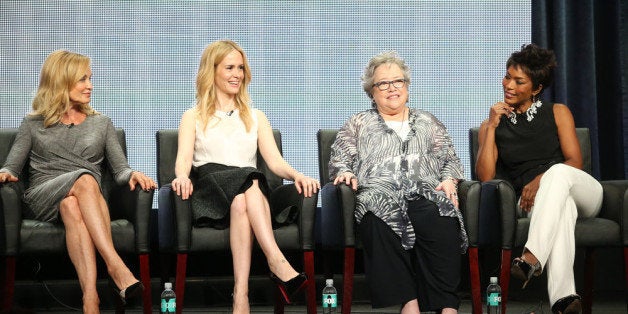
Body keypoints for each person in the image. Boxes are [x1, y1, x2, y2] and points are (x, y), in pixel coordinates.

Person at [0, 50, 157, 313]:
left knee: (72, 205)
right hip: (44, 194)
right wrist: (4, 172)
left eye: (90, 79)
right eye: (82, 79)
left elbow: (120, 170)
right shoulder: (32, 124)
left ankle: (90, 299)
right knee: (85, 178)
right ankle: (115, 265)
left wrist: (132, 174)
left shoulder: (101, 123)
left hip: (87, 200)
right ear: (61, 81)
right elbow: (12, 165)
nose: (90, 86)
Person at [171, 40, 320, 314]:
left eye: (240, 68)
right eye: (229, 67)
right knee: (250, 179)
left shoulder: (256, 116)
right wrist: (181, 176)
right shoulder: (192, 116)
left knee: (243, 197)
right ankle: (276, 260)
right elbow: (182, 160)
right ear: (212, 71)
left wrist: (298, 175)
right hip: (210, 190)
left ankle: (241, 295)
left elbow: (274, 162)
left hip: (245, 194)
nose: (237, 74)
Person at [329, 51, 467, 314]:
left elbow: (449, 157)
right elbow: (339, 158)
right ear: (372, 91)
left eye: (398, 81)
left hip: (424, 190)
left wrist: (449, 179)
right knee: (378, 217)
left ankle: (447, 306)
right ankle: (409, 303)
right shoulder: (358, 123)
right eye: (383, 83)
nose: (392, 88)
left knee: (443, 215)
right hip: (379, 192)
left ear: (407, 85)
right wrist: (345, 172)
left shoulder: (428, 121)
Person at [475, 44, 602, 314]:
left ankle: (531, 257)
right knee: (562, 208)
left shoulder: (557, 112)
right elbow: (485, 177)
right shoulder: (492, 124)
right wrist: (491, 129)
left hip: (583, 192)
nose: (508, 84)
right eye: (507, 76)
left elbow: (575, 164)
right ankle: (565, 300)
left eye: (518, 81)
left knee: (558, 174)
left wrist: (539, 179)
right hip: (538, 204)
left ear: (536, 88)